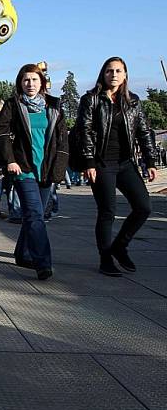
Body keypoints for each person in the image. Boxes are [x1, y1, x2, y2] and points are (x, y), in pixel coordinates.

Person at [77, 57, 157, 277]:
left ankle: (120, 246)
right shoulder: (91, 99)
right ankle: (105, 258)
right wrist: (89, 162)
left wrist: (150, 161)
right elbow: (84, 130)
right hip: (102, 163)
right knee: (107, 212)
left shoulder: (133, 101)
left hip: (125, 163)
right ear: (103, 74)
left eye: (118, 71)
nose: (114, 74)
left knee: (144, 207)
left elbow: (144, 131)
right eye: (109, 71)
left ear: (125, 75)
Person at [0, 64, 68, 281]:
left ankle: (22, 254)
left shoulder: (54, 106)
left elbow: (62, 140)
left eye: (35, 80)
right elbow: (1, 132)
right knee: (36, 214)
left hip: (46, 170)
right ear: (20, 82)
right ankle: (43, 263)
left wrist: (59, 169)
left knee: (33, 215)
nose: (30, 84)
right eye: (26, 80)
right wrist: (10, 160)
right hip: (23, 168)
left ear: (42, 83)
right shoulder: (13, 105)